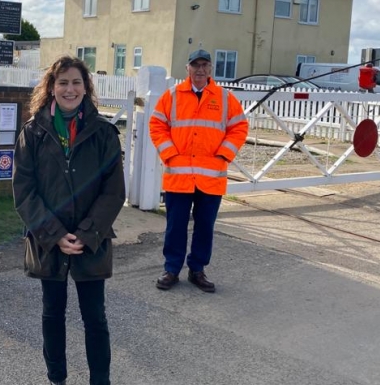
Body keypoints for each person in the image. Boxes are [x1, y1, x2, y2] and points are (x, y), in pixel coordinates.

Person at [14, 55, 125, 385]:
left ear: (86, 87)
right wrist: (55, 234)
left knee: (95, 318)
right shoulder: (33, 133)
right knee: (52, 314)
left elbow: (113, 191)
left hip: (90, 242)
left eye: (76, 82)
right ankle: (57, 377)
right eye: (62, 82)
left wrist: (87, 233)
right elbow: (24, 190)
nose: (69, 88)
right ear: (51, 87)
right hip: (49, 241)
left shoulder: (104, 133)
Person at [149, 49, 248, 293]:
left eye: (205, 65)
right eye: (196, 65)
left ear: (210, 69)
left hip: (210, 177)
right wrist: (170, 153)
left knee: (205, 226)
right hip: (179, 176)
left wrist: (224, 153)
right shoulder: (171, 96)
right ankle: (171, 269)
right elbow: (157, 125)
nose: (200, 70)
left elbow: (239, 127)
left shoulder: (224, 98)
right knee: (175, 226)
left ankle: (197, 270)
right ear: (188, 69)